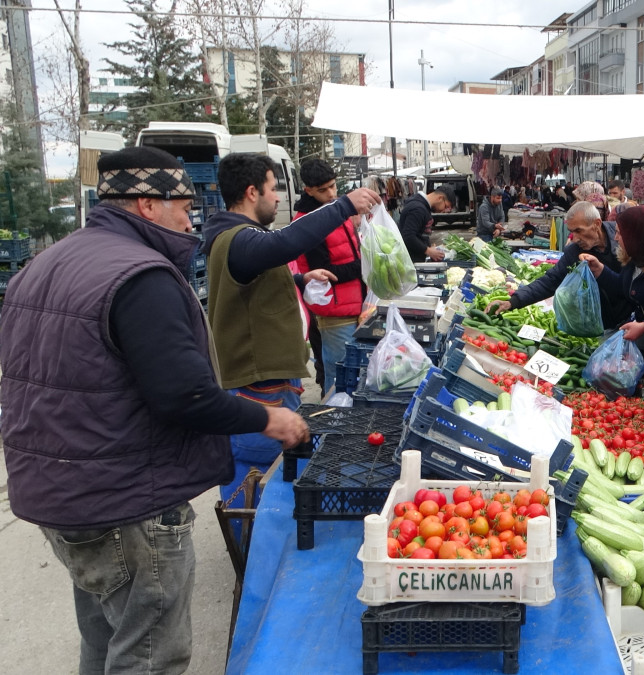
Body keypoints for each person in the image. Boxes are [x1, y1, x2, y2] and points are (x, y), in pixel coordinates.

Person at [0, 147, 311, 674]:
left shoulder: (47, 263)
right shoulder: (141, 275)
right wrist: (270, 418)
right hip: (123, 502)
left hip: (57, 494)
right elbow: (183, 395)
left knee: (103, 644)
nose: (191, 216)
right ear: (146, 204)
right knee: (148, 656)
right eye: (183, 204)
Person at [203, 153, 381, 508]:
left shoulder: (240, 238)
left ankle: (254, 539)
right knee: (257, 474)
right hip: (258, 388)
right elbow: (284, 244)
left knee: (268, 471)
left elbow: (254, 284)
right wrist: (343, 205)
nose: (279, 197)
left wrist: (299, 279)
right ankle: (250, 547)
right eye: (273, 189)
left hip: (271, 382)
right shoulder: (237, 238)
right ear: (252, 192)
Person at [578, 205, 644, 420]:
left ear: (638, 233)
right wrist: (600, 270)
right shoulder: (635, 259)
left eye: (621, 232)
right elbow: (627, 289)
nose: (617, 237)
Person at [487, 200, 630, 327]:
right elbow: (550, 281)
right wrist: (512, 302)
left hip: (635, 321)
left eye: (579, 231)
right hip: (602, 324)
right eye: (572, 232)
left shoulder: (623, 236)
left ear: (597, 224)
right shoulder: (574, 252)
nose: (575, 238)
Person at [293, 158, 367, 396]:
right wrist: (364, 265)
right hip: (333, 310)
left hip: (353, 304)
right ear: (308, 190)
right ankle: (333, 425)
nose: (331, 193)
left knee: (350, 372)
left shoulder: (335, 211)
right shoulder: (308, 222)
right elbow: (324, 273)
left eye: (333, 186)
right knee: (339, 376)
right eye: (323, 190)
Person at [398, 185, 456, 263]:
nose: (444, 211)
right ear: (440, 198)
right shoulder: (418, 209)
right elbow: (408, 236)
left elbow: (419, 233)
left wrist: (428, 246)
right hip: (410, 262)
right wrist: (428, 251)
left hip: (416, 260)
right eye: (446, 206)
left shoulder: (423, 206)